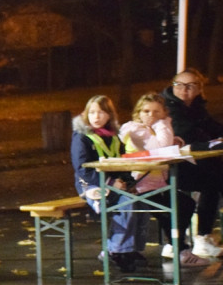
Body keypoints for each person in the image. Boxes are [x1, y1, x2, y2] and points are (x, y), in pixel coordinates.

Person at [119, 92, 206, 266]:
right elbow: (162, 148)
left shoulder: (155, 128)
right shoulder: (133, 128)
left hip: (158, 184)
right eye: (146, 111)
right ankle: (179, 249)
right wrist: (163, 124)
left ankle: (176, 246)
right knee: (174, 209)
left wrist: (173, 137)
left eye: (156, 112)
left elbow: (165, 144)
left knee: (186, 203)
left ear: (164, 112)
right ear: (138, 112)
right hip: (137, 186)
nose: (151, 115)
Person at [71, 95, 148, 273]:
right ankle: (116, 251)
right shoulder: (81, 137)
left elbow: (123, 163)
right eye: (92, 112)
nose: (96, 117)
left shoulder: (114, 136)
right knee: (126, 203)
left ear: (109, 115)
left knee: (142, 202)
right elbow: (83, 169)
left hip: (116, 184)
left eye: (101, 112)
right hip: (91, 185)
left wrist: (128, 182)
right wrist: (112, 183)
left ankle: (131, 248)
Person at [161, 68, 223, 258]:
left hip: (191, 162)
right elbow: (188, 134)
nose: (184, 89)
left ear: (199, 89)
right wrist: (211, 142)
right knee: (214, 181)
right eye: (179, 85)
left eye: (190, 85)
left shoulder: (197, 108)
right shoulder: (168, 108)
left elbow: (211, 128)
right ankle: (198, 238)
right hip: (167, 168)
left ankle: (203, 236)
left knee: (215, 179)